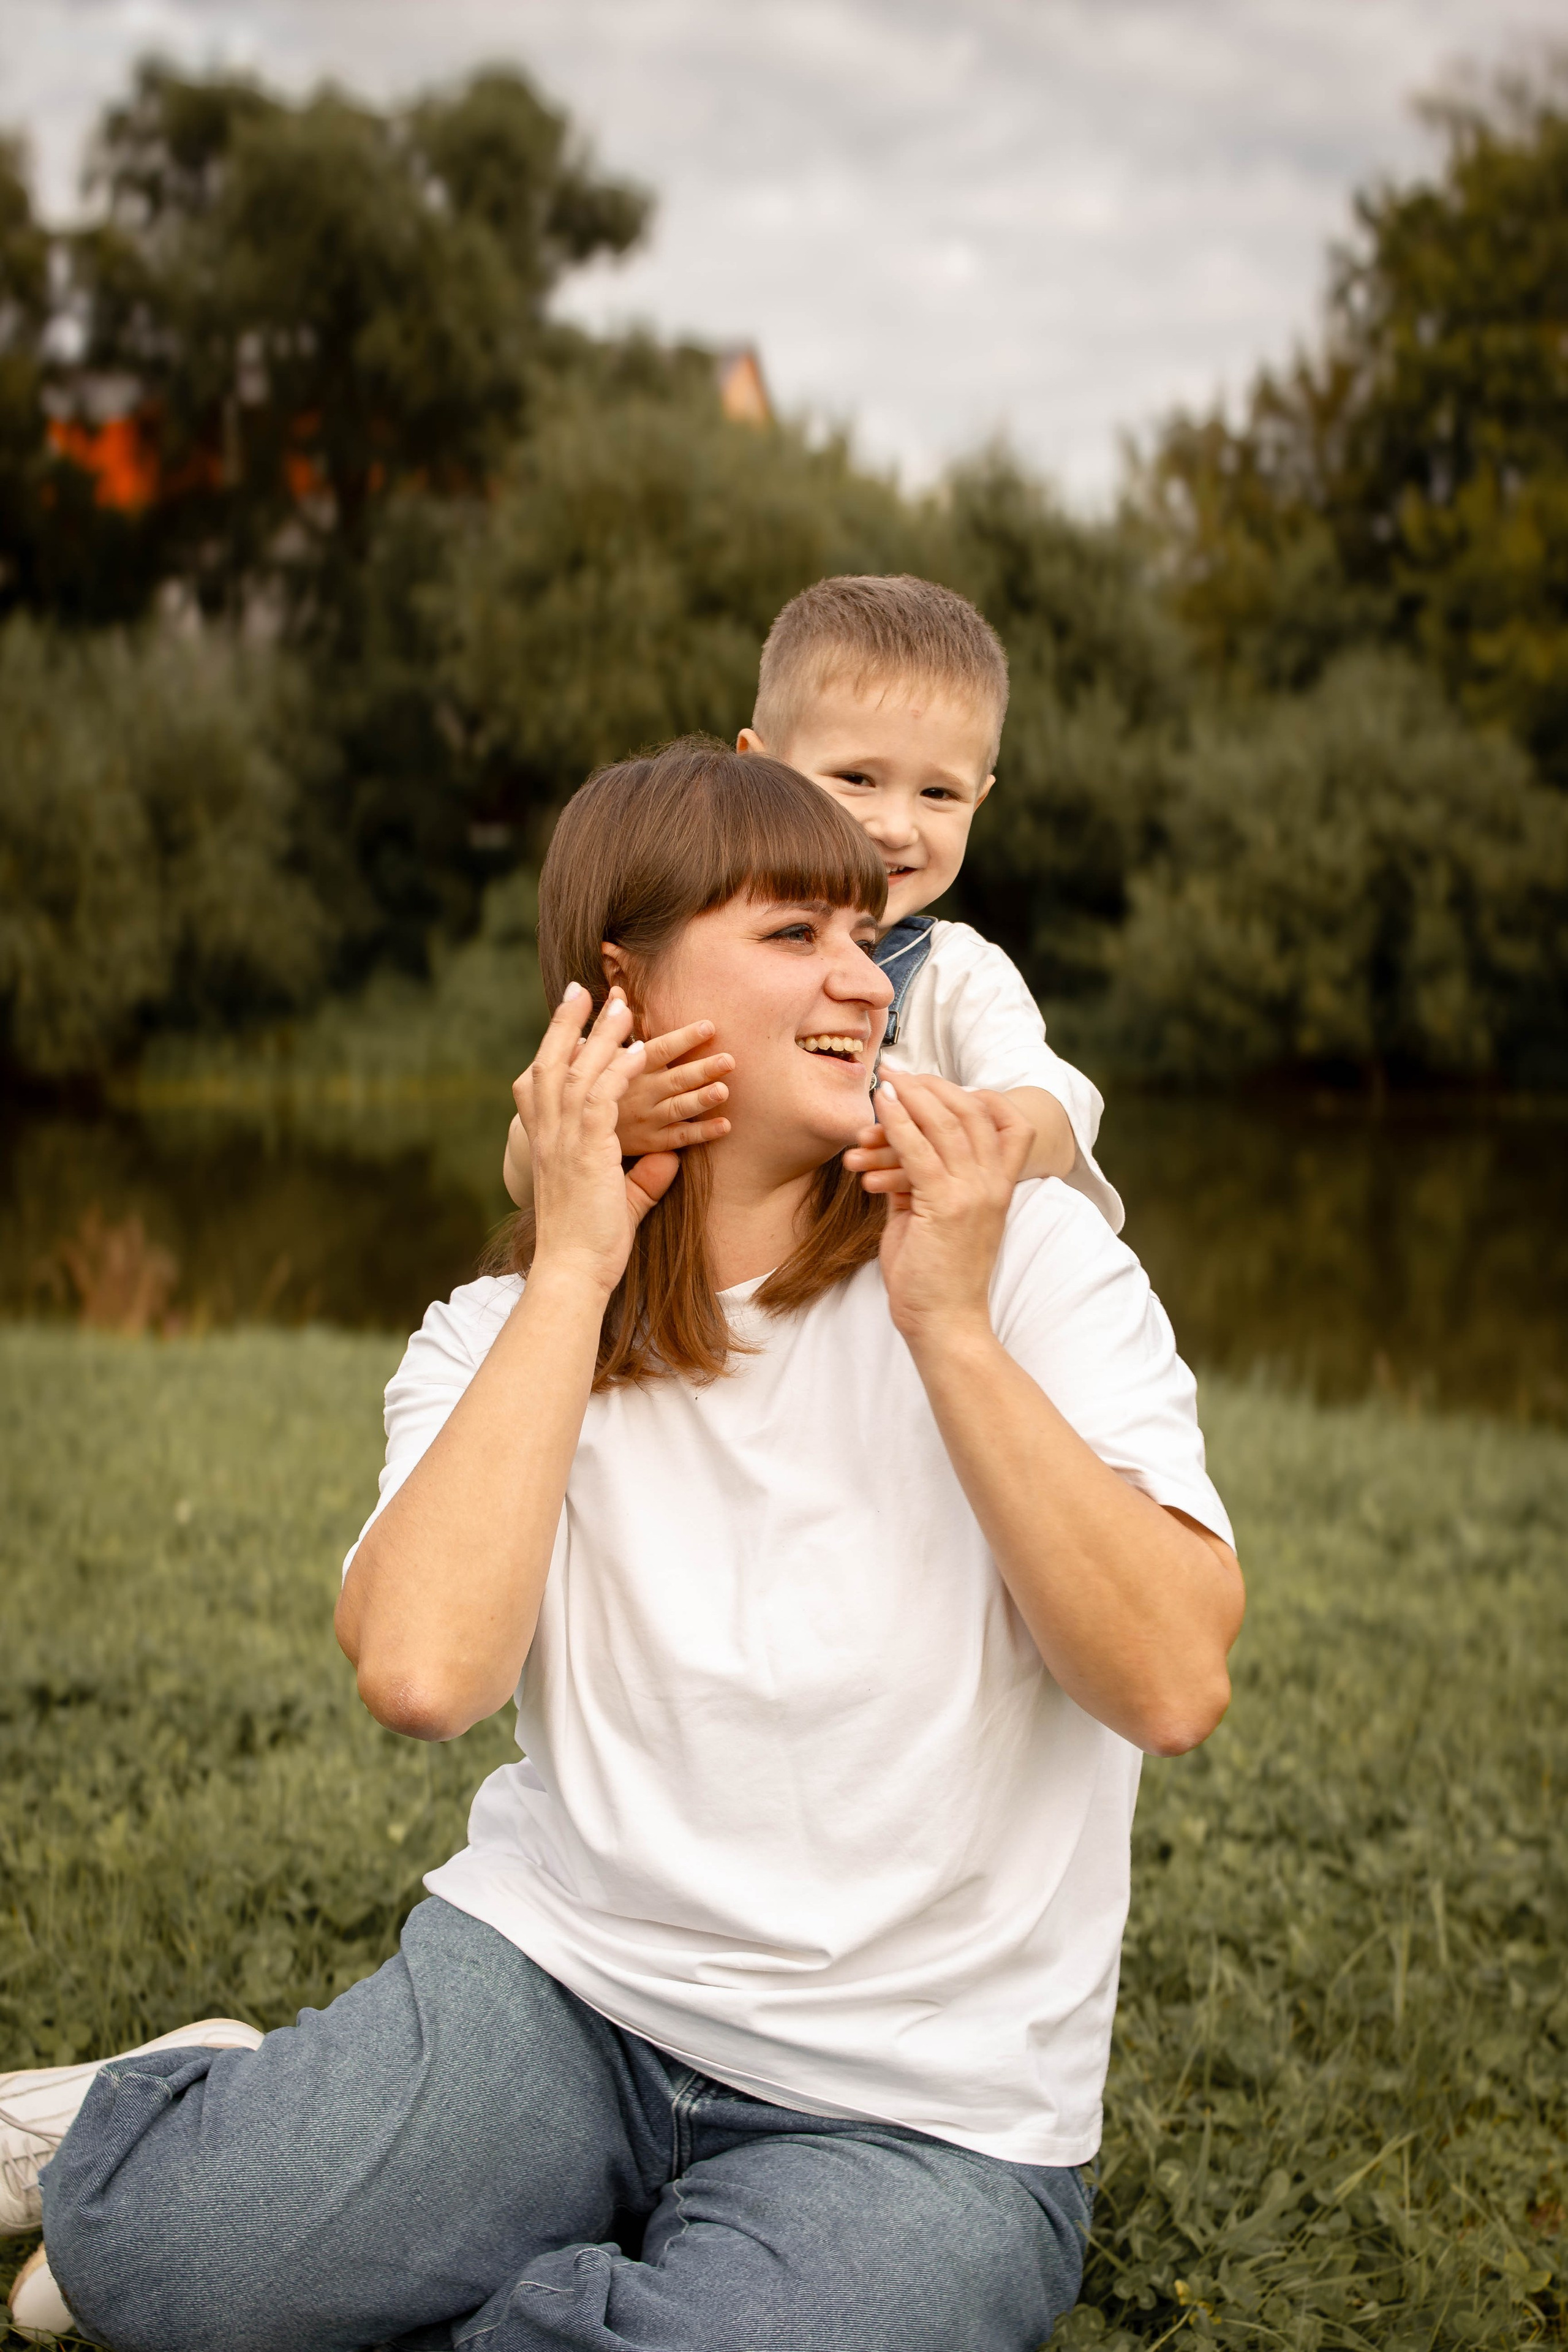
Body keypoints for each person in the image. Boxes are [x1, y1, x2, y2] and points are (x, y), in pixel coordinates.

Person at [6, 743, 1242, 2352]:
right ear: (622, 984)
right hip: (564, 1993)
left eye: (864, 940)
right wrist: (577, 1267)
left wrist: (944, 1321)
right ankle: (193, 2102)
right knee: (163, 2275)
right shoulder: (499, 1335)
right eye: (792, 935)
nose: (861, 984)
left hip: (924, 2109)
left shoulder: (1030, 1264)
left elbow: (1168, 1678)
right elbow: (424, 1672)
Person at [503, 573, 1123, 1235]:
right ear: (758, 768)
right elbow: (527, 1157)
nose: (895, 826)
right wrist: (611, 1120)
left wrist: (976, 1138)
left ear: (979, 802)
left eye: (938, 795)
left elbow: (1055, 1107)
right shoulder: (693, 945)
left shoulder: (956, 975)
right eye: (858, 778)